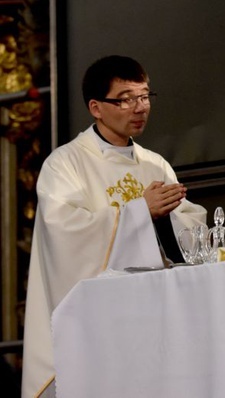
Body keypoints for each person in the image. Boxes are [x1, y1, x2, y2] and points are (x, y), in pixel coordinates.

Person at [22, 55, 207, 398]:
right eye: (125, 99)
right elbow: (65, 236)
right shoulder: (65, 164)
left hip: (153, 321)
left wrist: (167, 218)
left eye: (145, 96)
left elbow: (189, 231)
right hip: (96, 328)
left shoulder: (156, 165)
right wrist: (139, 212)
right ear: (96, 107)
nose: (139, 108)